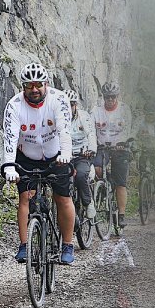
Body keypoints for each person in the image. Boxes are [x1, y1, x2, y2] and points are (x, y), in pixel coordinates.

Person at [1, 63, 76, 264]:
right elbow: (10, 138)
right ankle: (25, 245)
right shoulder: (14, 105)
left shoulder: (59, 99)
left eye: (38, 85)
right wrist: (9, 165)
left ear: (46, 84)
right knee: (25, 197)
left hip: (56, 154)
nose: (34, 90)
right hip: (27, 156)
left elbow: (64, 130)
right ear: (23, 87)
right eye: (29, 85)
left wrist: (66, 153)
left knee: (63, 198)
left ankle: (68, 245)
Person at [92, 81, 133, 226]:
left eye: (113, 97)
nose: (110, 100)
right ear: (103, 97)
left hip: (120, 148)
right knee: (96, 168)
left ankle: (121, 214)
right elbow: (91, 129)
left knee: (121, 183)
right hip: (102, 147)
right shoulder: (96, 110)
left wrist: (124, 142)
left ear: (117, 96)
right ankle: (107, 183)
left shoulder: (124, 109)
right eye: (107, 97)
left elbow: (128, 128)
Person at [67, 90, 98, 219]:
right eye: (66, 105)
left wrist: (91, 150)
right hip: (65, 156)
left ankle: (87, 202)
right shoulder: (58, 117)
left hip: (82, 155)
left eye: (72, 105)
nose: (69, 108)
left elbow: (91, 133)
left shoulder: (83, 116)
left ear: (76, 105)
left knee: (80, 176)